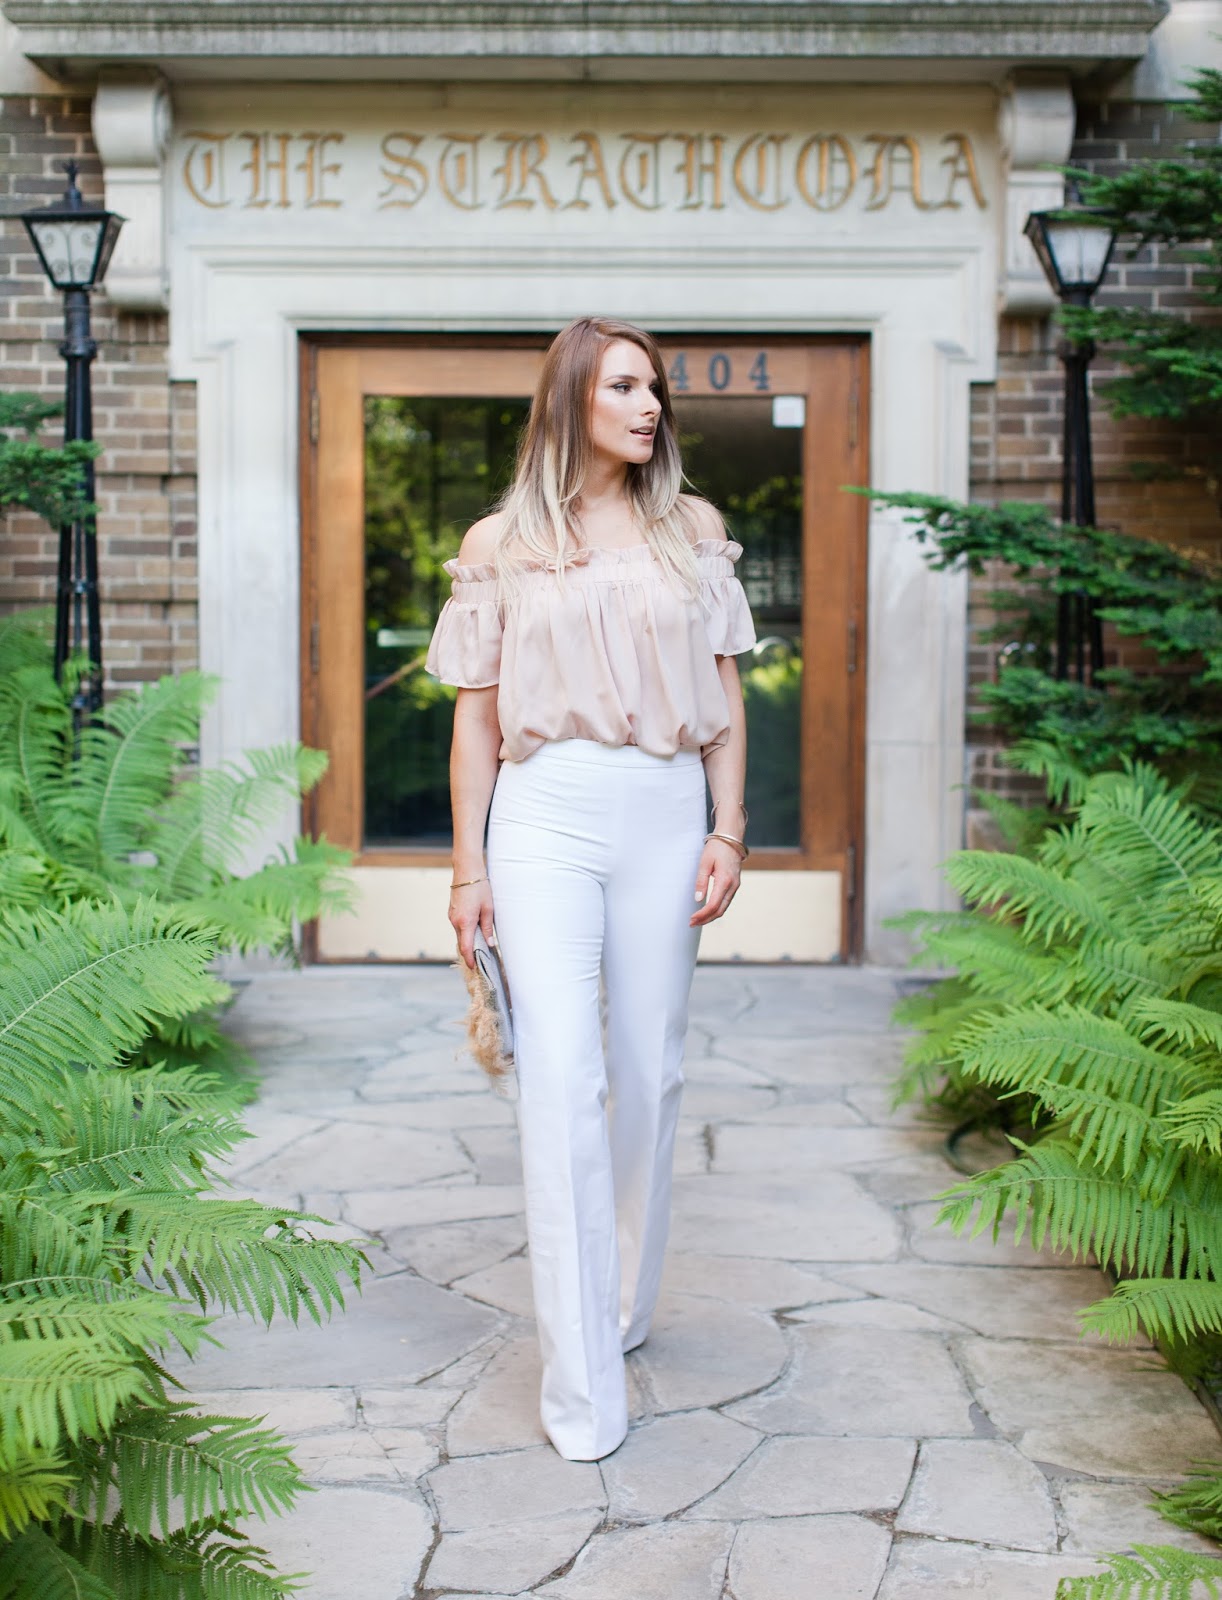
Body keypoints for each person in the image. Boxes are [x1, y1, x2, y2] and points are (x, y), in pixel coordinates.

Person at [425, 315, 755, 1461]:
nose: (648, 404)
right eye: (623, 386)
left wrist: (728, 828)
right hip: (545, 813)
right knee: (560, 1080)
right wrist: (467, 866)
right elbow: (474, 721)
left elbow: (724, 690)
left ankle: (623, 1303)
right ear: (570, 398)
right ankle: (580, 1389)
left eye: (653, 387)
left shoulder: (689, 529)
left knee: (647, 1072)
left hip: (664, 805)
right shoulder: (500, 543)